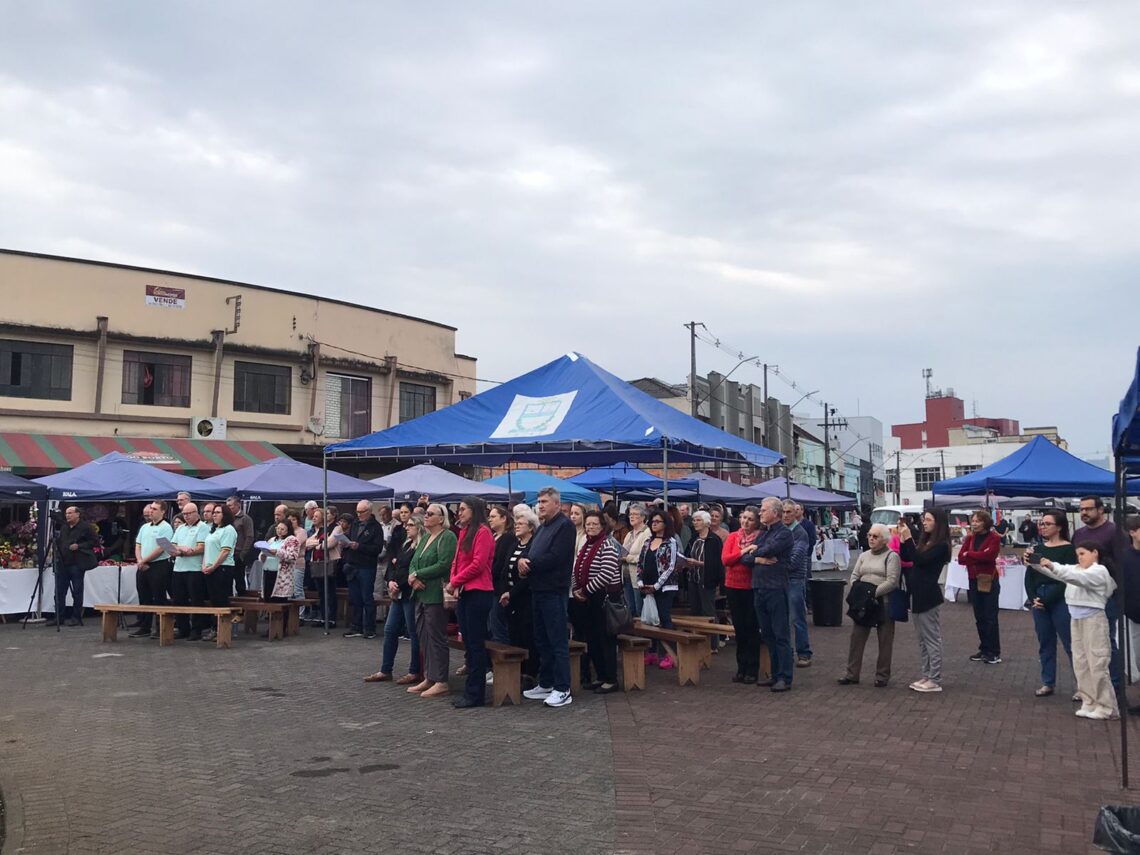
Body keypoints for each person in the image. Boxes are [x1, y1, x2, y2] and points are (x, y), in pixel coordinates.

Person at [1038, 544, 1119, 719]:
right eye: (1078, 554)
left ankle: (1107, 707)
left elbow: (1077, 578)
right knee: (1081, 663)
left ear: (1095, 553)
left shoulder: (1099, 571)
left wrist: (1051, 565)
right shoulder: (1076, 569)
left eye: (1083, 553)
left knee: (1097, 663)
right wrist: (1035, 563)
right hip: (1076, 619)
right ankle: (1089, 702)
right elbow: (1060, 572)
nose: (1080, 557)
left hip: (1094, 620)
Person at [520, 486, 577, 709]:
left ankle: (563, 688)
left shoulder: (565, 526)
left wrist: (529, 565)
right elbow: (530, 550)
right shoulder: (543, 527)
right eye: (539, 501)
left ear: (556, 504)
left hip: (554, 590)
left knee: (557, 641)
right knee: (542, 640)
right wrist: (522, 560)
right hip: (537, 589)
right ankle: (546, 682)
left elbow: (556, 557)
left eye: (544, 501)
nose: (540, 505)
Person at [742, 497, 796, 692]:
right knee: (767, 634)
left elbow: (770, 549)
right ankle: (775, 674)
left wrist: (755, 550)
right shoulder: (764, 533)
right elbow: (745, 558)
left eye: (764, 510)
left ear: (775, 512)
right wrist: (757, 558)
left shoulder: (784, 533)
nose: (760, 513)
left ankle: (784, 677)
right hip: (759, 588)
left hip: (776, 588)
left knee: (780, 634)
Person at [446, 497, 496, 709]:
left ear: (474, 510)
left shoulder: (483, 532)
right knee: (468, 640)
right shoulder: (465, 532)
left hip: (479, 591)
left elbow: (478, 564)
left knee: (476, 643)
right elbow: (457, 561)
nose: (460, 513)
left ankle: (475, 693)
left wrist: (455, 581)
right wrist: (454, 581)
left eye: (463, 509)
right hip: (466, 591)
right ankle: (471, 690)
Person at [838, 524, 901, 688]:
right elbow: (854, 575)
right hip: (863, 603)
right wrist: (859, 592)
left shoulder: (892, 557)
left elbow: (892, 581)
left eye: (875, 536)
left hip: (882, 602)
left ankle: (882, 675)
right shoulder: (864, 555)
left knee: (885, 640)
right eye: (870, 535)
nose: (871, 539)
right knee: (856, 638)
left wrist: (873, 593)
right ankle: (852, 674)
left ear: (884, 540)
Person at [1023, 510, 1077, 699]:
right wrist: (1033, 597)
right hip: (1039, 596)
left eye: (1047, 524)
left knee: (1071, 643)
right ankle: (1048, 681)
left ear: (1059, 527)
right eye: (1041, 523)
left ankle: (1082, 685)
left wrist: (1047, 599)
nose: (1042, 527)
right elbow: (1029, 576)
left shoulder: (1069, 549)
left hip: (1060, 597)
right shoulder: (1037, 549)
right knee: (1045, 642)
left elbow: (1069, 578)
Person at [569, 509, 623, 693]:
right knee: (592, 639)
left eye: (595, 524)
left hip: (604, 599)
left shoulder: (607, 545)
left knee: (606, 640)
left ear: (602, 526)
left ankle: (611, 679)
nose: (591, 527)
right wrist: (576, 589)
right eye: (588, 524)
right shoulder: (586, 545)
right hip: (587, 599)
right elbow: (577, 569)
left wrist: (585, 590)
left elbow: (606, 574)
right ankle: (600, 675)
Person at [407, 504, 457, 699]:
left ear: (441, 518)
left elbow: (444, 564)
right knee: (423, 636)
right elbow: (414, 561)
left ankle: (441, 681)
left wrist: (418, 574)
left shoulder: (447, 537)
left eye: (430, 514)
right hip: (420, 594)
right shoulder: (426, 537)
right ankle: (430, 676)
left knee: (437, 637)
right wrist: (413, 576)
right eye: (425, 513)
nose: (425, 516)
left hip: (435, 594)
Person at [1073, 496, 1123, 691]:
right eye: (1081, 509)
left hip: (1107, 596)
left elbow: (1122, 564)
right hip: (1084, 596)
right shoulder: (1078, 534)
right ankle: (1093, 687)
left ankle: (1115, 687)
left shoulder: (1114, 532)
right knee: (1086, 643)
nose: (1084, 512)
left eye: (1088, 509)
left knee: (1106, 641)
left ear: (1101, 510)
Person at [367, 514, 424, 684]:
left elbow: (413, 571)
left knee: (413, 632)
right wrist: (390, 581)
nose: (406, 527)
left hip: (409, 593)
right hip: (398, 593)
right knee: (390, 630)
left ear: (419, 527)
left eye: (411, 525)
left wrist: (398, 584)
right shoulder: (405, 544)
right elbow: (395, 565)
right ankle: (386, 669)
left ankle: (415, 670)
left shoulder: (420, 547)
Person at [898, 509, 951, 693]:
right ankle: (927, 674)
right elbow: (908, 557)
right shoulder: (926, 541)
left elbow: (920, 560)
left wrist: (908, 538)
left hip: (929, 595)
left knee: (931, 638)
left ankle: (935, 678)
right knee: (922, 639)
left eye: (928, 519)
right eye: (924, 519)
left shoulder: (941, 546)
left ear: (938, 523)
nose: (924, 523)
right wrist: (904, 539)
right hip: (917, 594)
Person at [722, 506, 762, 683]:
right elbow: (726, 559)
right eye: (744, 518)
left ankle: (752, 669)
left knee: (751, 628)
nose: (745, 522)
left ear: (757, 522)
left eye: (750, 519)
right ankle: (741, 667)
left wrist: (737, 557)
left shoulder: (760, 538)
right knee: (739, 629)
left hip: (751, 587)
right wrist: (743, 551)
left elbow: (750, 563)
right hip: (733, 586)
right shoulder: (733, 537)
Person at [958, 509, 1003, 665]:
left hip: (988, 580)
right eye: (973, 521)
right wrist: (976, 556)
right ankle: (984, 648)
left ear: (985, 523)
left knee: (990, 616)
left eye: (977, 521)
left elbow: (989, 556)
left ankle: (994, 651)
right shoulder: (970, 538)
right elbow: (961, 558)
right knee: (979, 617)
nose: (974, 524)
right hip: (973, 580)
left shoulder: (994, 538)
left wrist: (970, 555)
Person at [638, 508, 680, 669]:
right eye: (652, 522)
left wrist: (657, 585)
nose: (654, 524)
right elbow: (641, 562)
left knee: (664, 617)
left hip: (665, 587)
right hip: (647, 585)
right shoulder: (647, 541)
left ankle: (669, 654)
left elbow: (670, 566)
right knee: (650, 619)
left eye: (657, 522)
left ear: (665, 524)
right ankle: (652, 652)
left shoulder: (671, 542)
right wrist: (640, 581)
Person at [503, 506, 539, 682]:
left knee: (528, 635)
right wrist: (505, 590)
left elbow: (528, 577)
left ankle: (529, 672)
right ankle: (517, 671)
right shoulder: (514, 545)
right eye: (516, 523)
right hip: (511, 598)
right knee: (514, 634)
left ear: (531, 527)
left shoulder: (533, 546)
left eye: (521, 523)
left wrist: (512, 593)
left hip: (525, 597)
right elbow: (506, 569)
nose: (516, 526)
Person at [47, 506, 98, 627]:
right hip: (63, 562)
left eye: (70, 513)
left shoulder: (86, 527)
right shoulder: (64, 527)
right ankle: (59, 617)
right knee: (59, 591)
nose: (67, 515)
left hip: (77, 563)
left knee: (77, 591)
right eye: (66, 513)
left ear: (78, 514)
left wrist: (79, 546)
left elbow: (94, 542)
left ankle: (76, 617)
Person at [343, 500, 384, 640]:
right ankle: (356, 626)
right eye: (357, 512)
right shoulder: (354, 524)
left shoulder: (376, 527)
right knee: (355, 598)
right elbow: (349, 539)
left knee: (367, 598)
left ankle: (370, 628)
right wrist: (346, 544)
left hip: (367, 566)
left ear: (369, 511)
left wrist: (359, 546)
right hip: (353, 565)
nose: (359, 514)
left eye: (361, 512)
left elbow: (377, 549)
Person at [684, 509, 724, 653]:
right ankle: (698, 641)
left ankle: (713, 644)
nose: (695, 523)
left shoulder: (714, 540)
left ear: (706, 523)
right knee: (695, 610)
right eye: (694, 520)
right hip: (693, 579)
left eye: (698, 520)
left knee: (708, 611)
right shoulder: (694, 539)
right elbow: (687, 554)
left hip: (707, 580)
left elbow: (717, 563)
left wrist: (698, 563)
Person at [131, 502, 173, 638]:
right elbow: (138, 545)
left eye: (155, 509)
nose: (151, 511)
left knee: (159, 597)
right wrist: (139, 560)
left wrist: (145, 560)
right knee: (144, 596)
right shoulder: (144, 527)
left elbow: (161, 548)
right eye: (151, 509)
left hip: (158, 565)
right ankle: (145, 626)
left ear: (163, 512)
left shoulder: (166, 527)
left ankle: (161, 628)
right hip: (142, 565)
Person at [168, 503, 208, 640]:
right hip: (178, 568)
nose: (186, 516)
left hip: (194, 568)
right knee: (178, 599)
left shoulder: (202, 527)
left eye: (188, 513)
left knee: (196, 600)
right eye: (184, 514)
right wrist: (180, 549)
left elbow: (202, 547)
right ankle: (182, 628)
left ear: (196, 513)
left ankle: (197, 630)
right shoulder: (180, 528)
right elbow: (173, 545)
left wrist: (187, 551)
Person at [782, 501, 813, 668]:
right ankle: (787, 653)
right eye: (783, 512)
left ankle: (804, 653)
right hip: (780, 580)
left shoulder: (800, 533)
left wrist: (774, 561)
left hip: (795, 580)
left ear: (796, 513)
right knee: (782, 619)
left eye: (789, 512)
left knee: (797, 618)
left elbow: (794, 561)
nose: (786, 515)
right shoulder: (780, 531)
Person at [200, 504, 236, 641]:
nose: (214, 514)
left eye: (218, 512)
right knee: (213, 600)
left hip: (222, 568)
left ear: (225, 515)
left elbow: (225, 551)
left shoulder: (228, 529)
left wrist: (214, 566)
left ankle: (223, 630)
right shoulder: (214, 530)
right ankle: (214, 628)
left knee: (221, 600)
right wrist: (204, 564)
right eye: (213, 512)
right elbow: (207, 549)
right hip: (210, 569)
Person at [488, 505, 518, 646]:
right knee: (491, 624)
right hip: (490, 586)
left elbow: (500, 564)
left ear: (503, 518)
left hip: (498, 587)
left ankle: (503, 656)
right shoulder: (494, 536)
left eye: (493, 517)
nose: (490, 519)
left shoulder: (508, 538)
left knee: (498, 626)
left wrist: (486, 574)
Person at [306, 509, 340, 627]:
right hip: (317, 563)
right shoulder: (320, 530)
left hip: (329, 563)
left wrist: (318, 544)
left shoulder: (336, 528)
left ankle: (331, 618)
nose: (314, 518)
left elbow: (330, 543)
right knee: (321, 592)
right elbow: (307, 543)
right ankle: (323, 617)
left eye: (327, 514)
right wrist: (319, 543)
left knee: (330, 591)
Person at [621, 503, 650, 615]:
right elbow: (623, 551)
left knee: (639, 610)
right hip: (626, 575)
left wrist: (628, 558)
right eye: (630, 514)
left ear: (642, 517)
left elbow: (645, 556)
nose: (631, 517)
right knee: (629, 610)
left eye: (635, 514)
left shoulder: (647, 533)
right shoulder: (629, 534)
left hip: (638, 577)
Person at [226, 496, 253, 597]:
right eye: (227, 506)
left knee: (239, 580)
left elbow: (249, 537)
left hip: (238, 553)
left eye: (230, 506)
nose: (228, 508)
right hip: (227, 553)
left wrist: (242, 554)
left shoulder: (245, 518)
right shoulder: (227, 519)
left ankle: (242, 601)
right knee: (227, 580)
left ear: (238, 505)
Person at [268, 522, 302, 601]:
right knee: (268, 598)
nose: (279, 531)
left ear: (288, 530)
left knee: (279, 600)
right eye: (278, 528)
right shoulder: (272, 540)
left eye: (282, 529)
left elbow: (292, 556)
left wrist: (277, 552)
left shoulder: (292, 540)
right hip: (268, 571)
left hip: (282, 574)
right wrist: (262, 555)